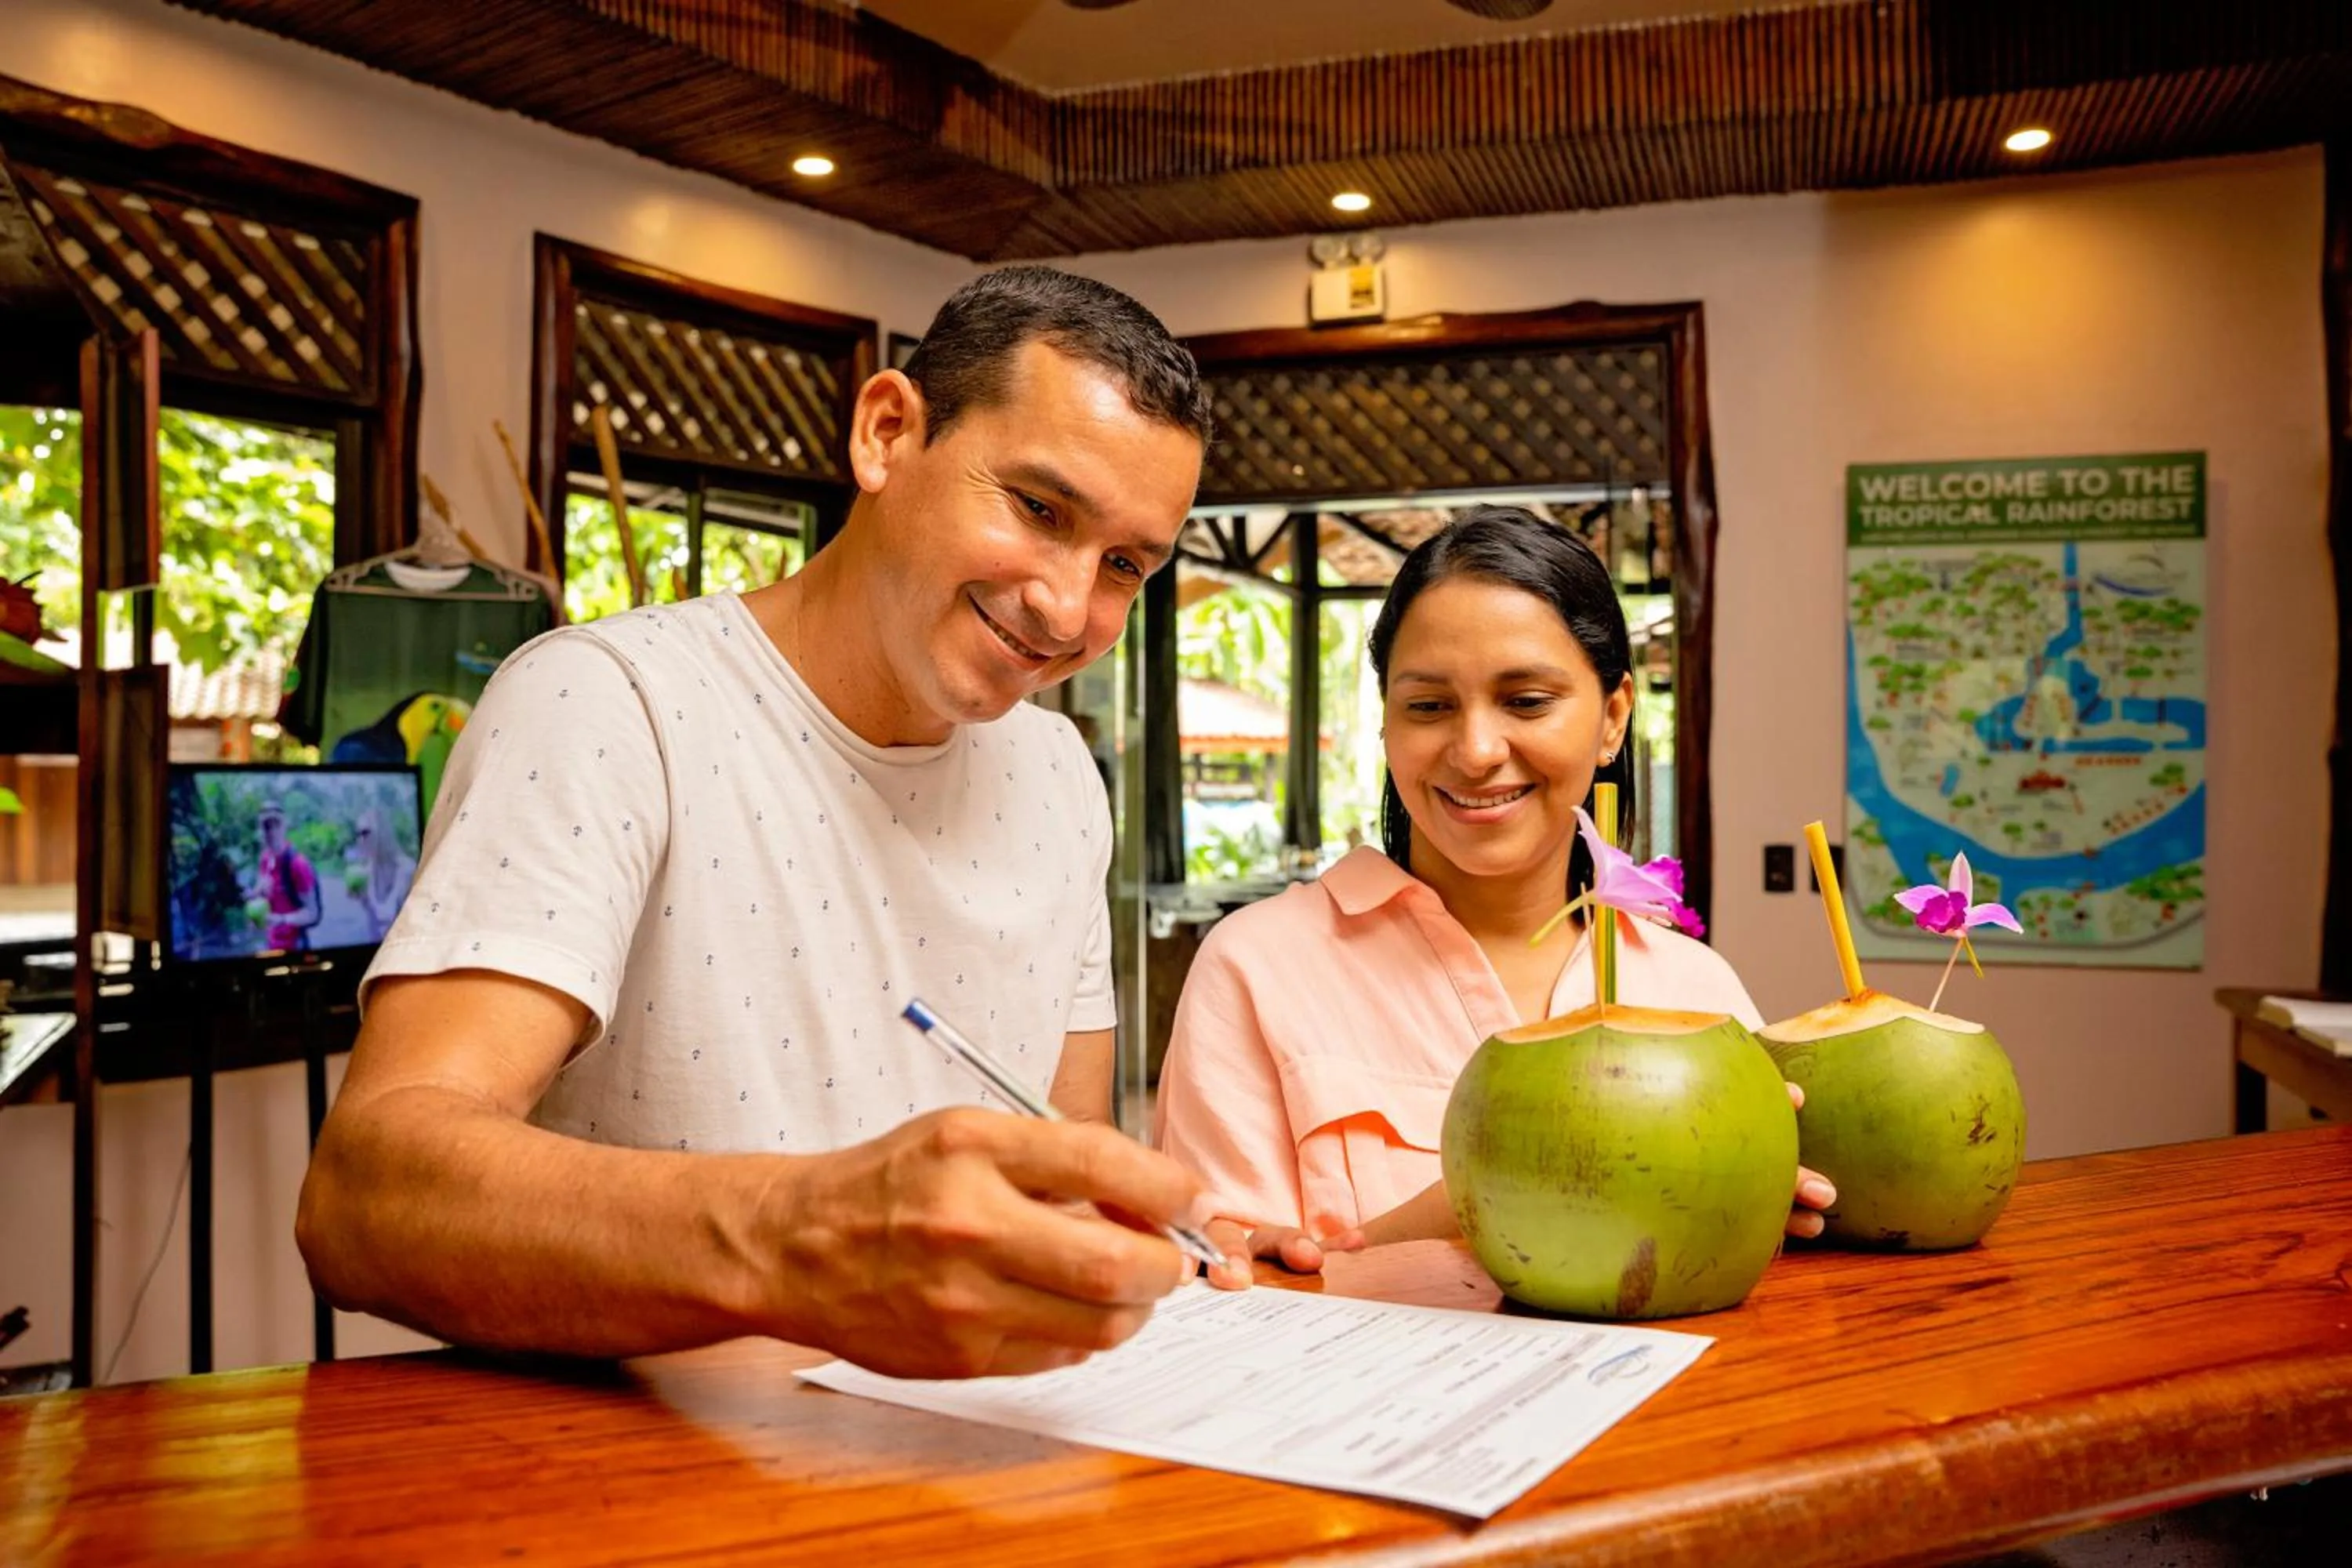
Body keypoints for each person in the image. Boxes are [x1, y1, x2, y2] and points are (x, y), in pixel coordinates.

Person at [298, 267, 1221, 1380]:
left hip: (955, 1471)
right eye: (1037, 509)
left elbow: (1067, 1177)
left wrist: (1159, 1255)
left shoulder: (1064, 776)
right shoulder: (609, 703)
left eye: (1124, 565)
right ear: (886, 433)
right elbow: (363, 1201)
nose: (1069, 611)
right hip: (642, 1490)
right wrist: (799, 1239)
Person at [1154, 506, 1835, 1285]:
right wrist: (1483, 1197)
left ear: (1612, 717)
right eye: (1429, 706)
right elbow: (1223, 1298)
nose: (1476, 752)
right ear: (1385, 721)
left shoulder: (1695, 989)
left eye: (1526, 700)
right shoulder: (1257, 966)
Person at [252, 800, 322, 953]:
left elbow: (312, 913)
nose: (271, 831)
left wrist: (281, 920)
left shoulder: (298, 864)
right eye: (266, 826)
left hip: (295, 946)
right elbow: (261, 895)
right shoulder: (264, 859)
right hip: (272, 943)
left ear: (284, 826)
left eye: (276, 824)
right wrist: (256, 894)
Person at [351, 806, 416, 944]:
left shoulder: (407, 870)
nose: (360, 840)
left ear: (382, 832)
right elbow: (374, 929)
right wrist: (364, 901)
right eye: (358, 834)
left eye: (365, 833)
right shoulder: (366, 873)